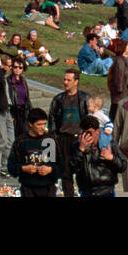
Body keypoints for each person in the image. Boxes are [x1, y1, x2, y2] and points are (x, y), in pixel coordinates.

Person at [48, 68, 90, 197]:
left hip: (80, 139)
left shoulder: (85, 98)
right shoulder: (58, 99)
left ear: (76, 81)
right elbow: (52, 119)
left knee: (84, 172)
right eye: (64, 79)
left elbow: (91, 118)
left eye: (68, 80)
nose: (65, 82)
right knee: (66, 173)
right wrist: (54, 137)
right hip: (63, 139)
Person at [70, 115, 128, 197]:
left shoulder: (109, 143)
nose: (86, 136)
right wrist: (81, 150)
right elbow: (71, 168)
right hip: (87, 191)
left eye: (89, 133)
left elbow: (123, 166)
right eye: (83, 132)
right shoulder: (77, 146)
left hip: (106, 190)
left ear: (97, 131)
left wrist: (112, 158)